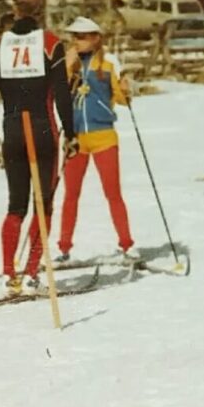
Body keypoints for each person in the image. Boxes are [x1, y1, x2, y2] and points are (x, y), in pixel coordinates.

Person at [0, 0, 77, 295]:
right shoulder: (50, 44)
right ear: (41, 10)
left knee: (15, 205)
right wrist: (71, 135)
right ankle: (32, 270)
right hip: (43, 129)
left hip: (12, 131)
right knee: (43, 206)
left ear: (15, 8)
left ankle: (9, 272)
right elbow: (62, 95)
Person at [56, 16, 137, 262]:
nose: (76, 42)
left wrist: (126, 89)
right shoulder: (69, 62)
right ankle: (64, 247)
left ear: (95, 38)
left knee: (112, 192)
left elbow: (123, 98)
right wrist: (65, 69)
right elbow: (56, 92)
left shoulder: (109, 61)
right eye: (73, 37)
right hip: (75, 137)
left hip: (103, 134)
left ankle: (127, 244)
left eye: (81, 37)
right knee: (71, 194)